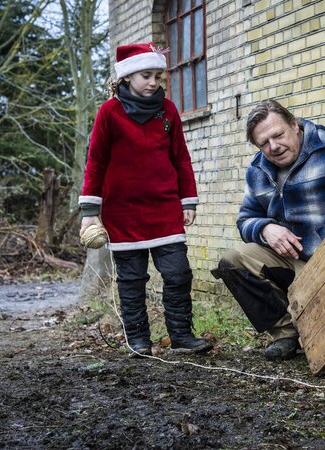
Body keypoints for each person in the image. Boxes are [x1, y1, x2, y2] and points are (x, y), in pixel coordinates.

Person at [212, 99, 325, 361]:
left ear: (295, 125)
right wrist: (266, 228)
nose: (274, 147)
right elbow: (245, 220)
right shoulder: (257, 170)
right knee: (233, 261)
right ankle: (286, 334)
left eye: (278, 135)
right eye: (264, 143)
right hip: (293, 263)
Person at [79, 42, 211, 357]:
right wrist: (89, 211)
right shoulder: (108, 112)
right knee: (132, 279)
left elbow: (181, 158)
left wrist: (187, 201)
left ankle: (181, 336)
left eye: (157, 75)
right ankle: (138, 339)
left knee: (179, 273)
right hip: (123, 212)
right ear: (126, 78)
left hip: (164, 208)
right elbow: (95, 161)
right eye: (145, 75)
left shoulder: (168, 111)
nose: (153, 82)